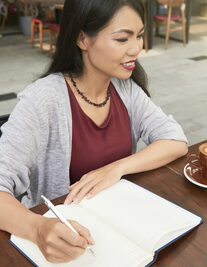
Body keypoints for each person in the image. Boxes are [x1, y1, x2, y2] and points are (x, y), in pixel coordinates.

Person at [0, 0, 188, 263]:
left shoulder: (125, 90)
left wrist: (116, 168)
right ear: (82, 39)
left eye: (140, 35)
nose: (136, 49)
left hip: (120, 228)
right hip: (70, 240)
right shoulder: (42, 100)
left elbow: (175, 140)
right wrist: (37, 228)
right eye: (122, 39)